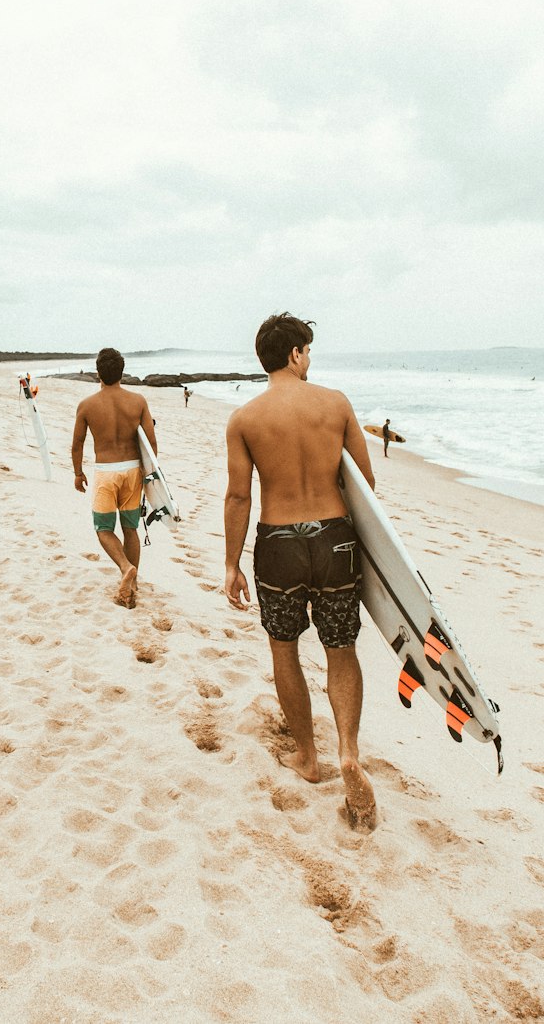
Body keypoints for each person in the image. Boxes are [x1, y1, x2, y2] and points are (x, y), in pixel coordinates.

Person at [224, 313, 377, 831]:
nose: (309, 359)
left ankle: (308, 758)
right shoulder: (335, 404)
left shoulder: (244, 419)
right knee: (341, 649)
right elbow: (365, 485)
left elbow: (239, 494)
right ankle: (349, 752)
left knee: (284, 648)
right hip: (335, 538)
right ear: (294, 353)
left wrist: (231, 562)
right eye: (307, 350)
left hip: (278, 543)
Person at [71, 347, 156, 609]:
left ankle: (125, 567)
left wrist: (78, 472)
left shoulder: (87, 405)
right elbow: (151, 443)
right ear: (122, 371)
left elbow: (77, 443)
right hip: (133, 472)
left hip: (107, 472)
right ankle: (133, 583)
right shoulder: (138, 401)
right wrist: (149, 477)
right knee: (130, 529)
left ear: (98, 372)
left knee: (104, 528)